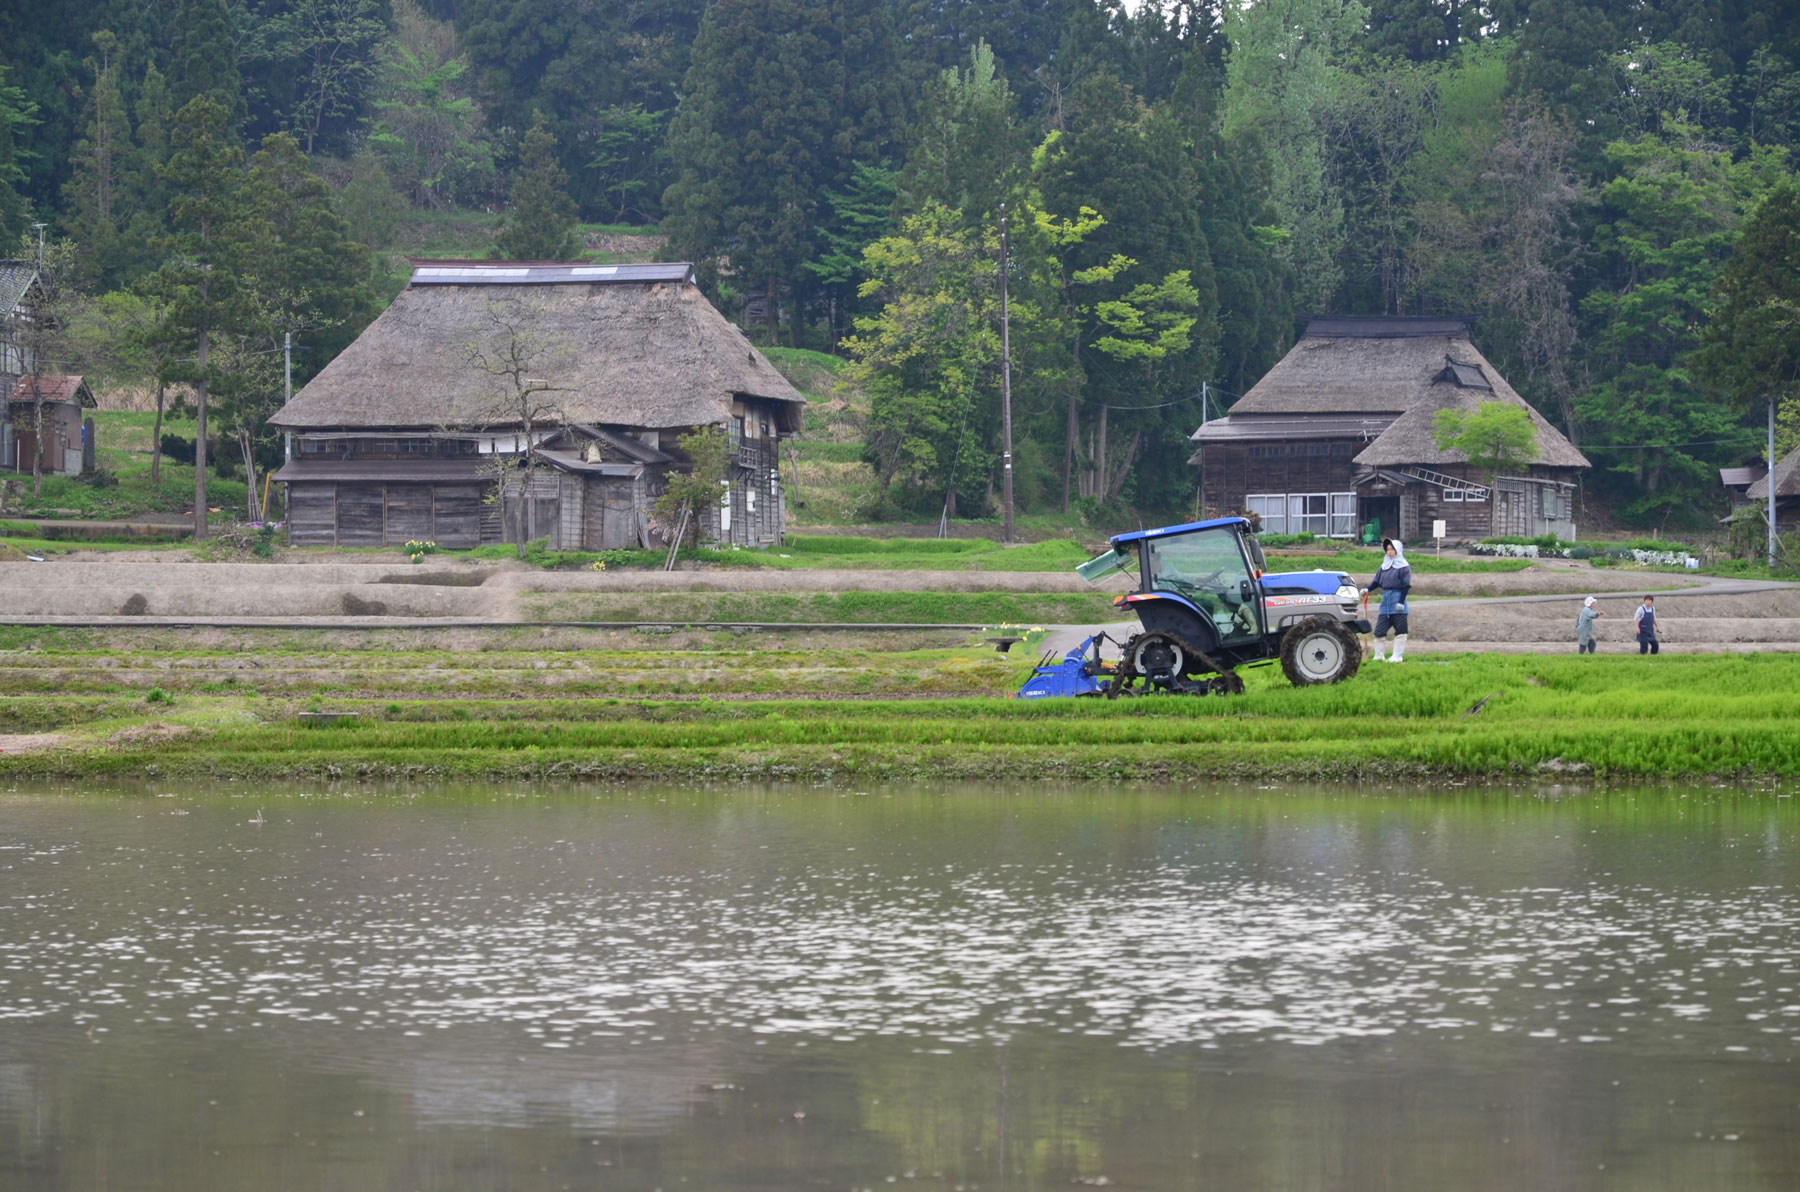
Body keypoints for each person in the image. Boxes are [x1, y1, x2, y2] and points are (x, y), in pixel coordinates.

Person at [1366, 538, 1412, 662]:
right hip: (1386, 600)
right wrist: (1367, 589)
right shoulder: (1384, 566)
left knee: (1401, 630)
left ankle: (1397, 656)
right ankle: (1379, 655)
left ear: (1398, 550)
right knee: (1379, 630)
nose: (1389, 552)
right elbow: (1377, 582)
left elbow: (1406, 585)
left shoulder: (1404, 566)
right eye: (1387, 550)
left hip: (1398, 599)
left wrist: (1401, 601)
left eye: (1392, 549)